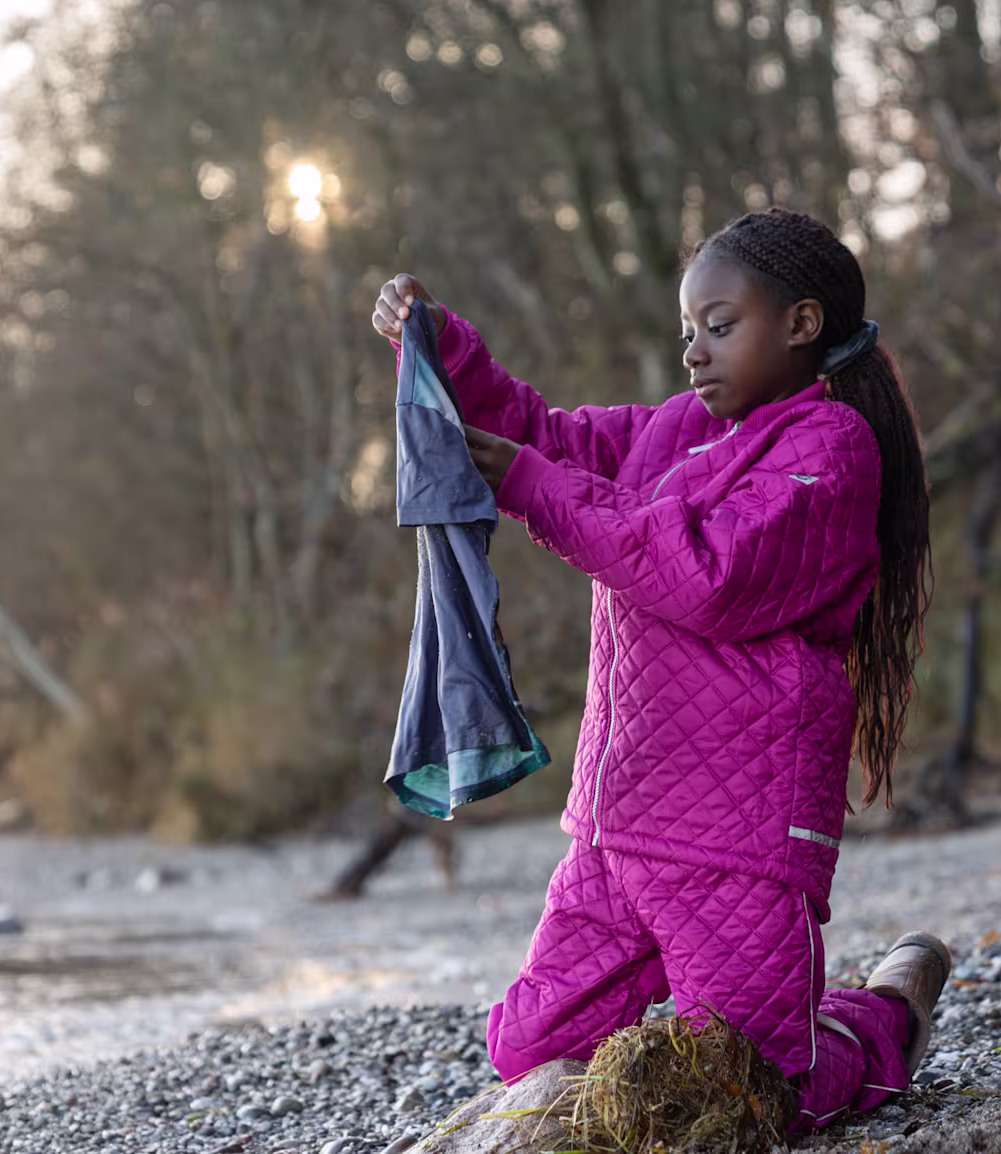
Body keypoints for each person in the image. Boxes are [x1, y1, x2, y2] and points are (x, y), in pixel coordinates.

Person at [369, 208, 952, 1130]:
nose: (695, 352)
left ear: (802, 324)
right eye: (688, 332)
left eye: (720, 327)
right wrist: (440, 346)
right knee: (527, 1055)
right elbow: (539, 432)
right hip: (617, 829)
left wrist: (527, 482)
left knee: (753, 1094)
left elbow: (706, 577)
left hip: (735, 840)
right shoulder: (675, 431)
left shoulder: (830, 452)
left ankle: (881, 1019)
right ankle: (746, 1011)